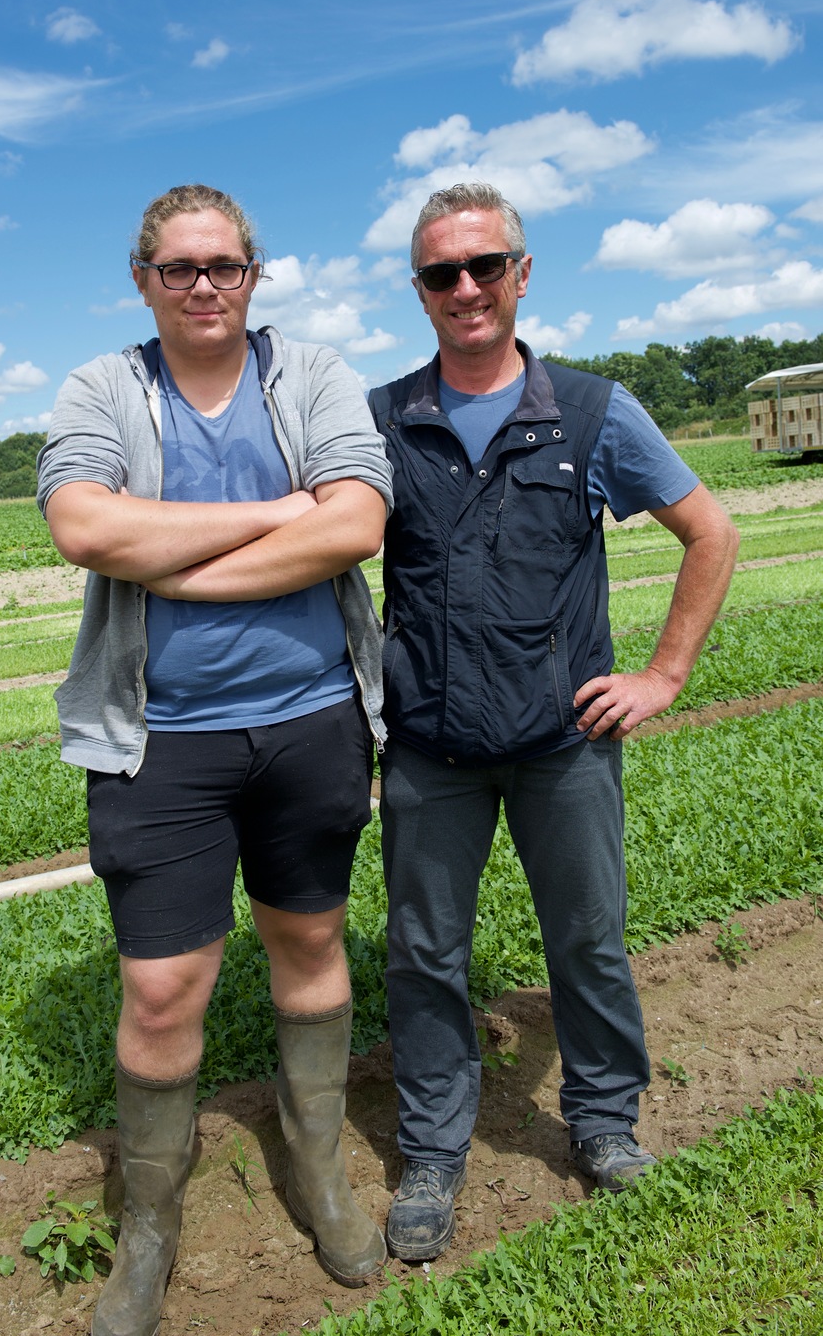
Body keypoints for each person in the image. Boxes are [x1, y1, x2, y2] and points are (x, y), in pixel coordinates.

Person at [37, 184, 392, 1336]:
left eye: (224, 267)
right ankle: (148, 1231)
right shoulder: (104, 388)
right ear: (143, 278)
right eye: (180, 268)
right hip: (157, 744)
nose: (203, 286)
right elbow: (88, 530)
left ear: (254, 274)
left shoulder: (314, 375)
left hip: (312, 719)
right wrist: (278, 512)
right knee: (159, 986)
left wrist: (173, 558)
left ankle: (320, 1170)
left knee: (309, 940)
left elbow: (353, 525)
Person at [368, 182, 739, 1263]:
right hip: (432, 746)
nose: (467, 288)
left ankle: (603, 1123)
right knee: (425, 953)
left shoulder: (592, 412)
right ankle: (434, 1152)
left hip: (563, 743)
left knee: (586, 940)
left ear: (523, 274)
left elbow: (708, 534)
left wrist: (663, 675)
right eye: (443, 274)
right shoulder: (384, 421)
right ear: (419, 291)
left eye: (487, 266)